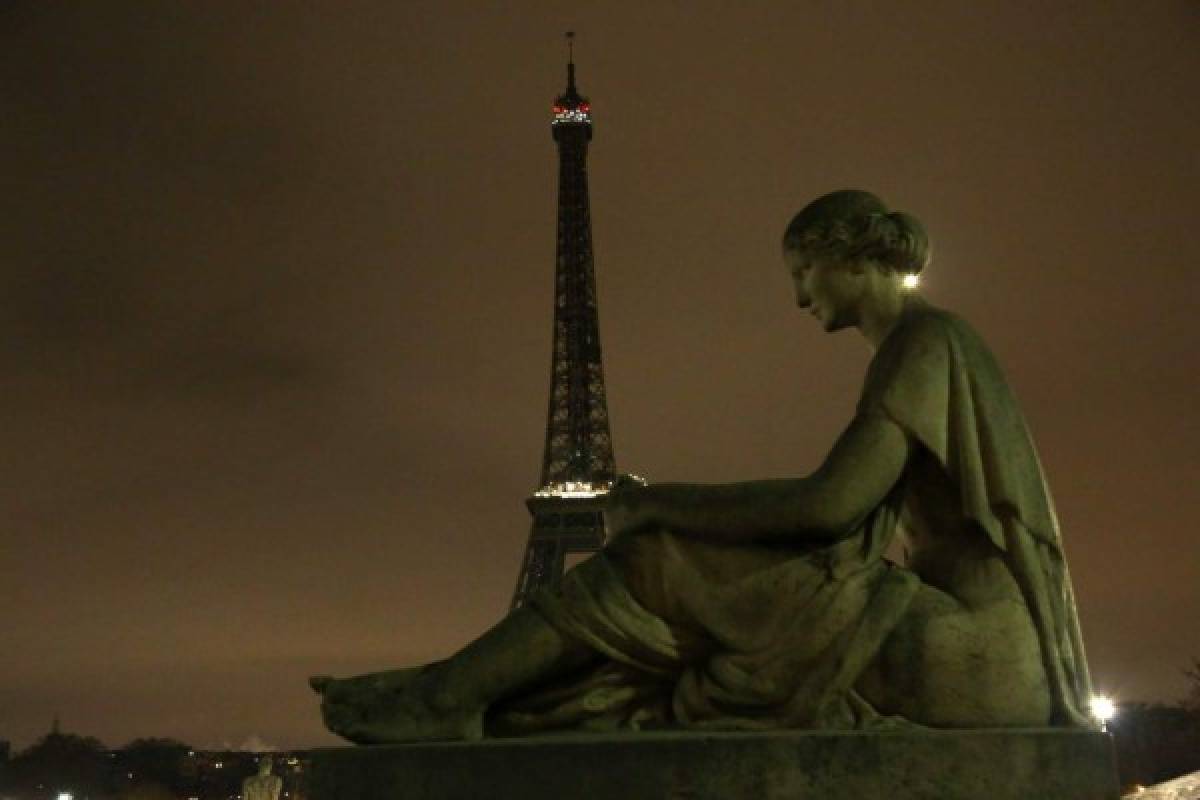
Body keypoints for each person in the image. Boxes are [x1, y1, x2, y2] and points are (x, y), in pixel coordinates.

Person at [311, 190, 1093, 744]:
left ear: (847, 260)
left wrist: (662, 504)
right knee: (689, 586)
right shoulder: (924, 345)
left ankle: (454, 696)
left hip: (975, 657)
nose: (797, 298)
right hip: (962, 641)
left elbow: (829, 507)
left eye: (801, 272)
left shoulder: (924, 346)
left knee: (655, 558)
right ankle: (468, 695)